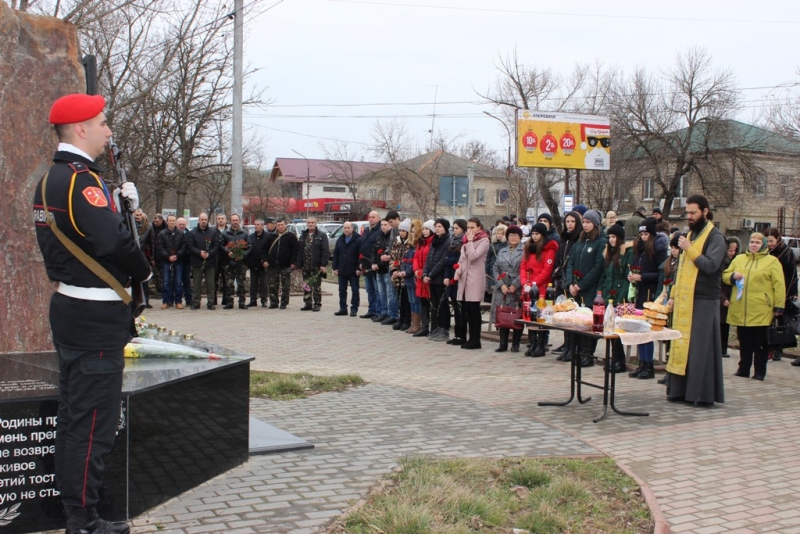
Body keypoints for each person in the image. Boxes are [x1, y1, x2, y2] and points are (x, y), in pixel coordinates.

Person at [34, 92, 150, 534]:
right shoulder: (82, 182)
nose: (108, 131)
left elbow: (88, 238)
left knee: (75, 416)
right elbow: (114, 245)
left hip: (71, 308)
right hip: (95, 316)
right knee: (93, 426)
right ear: (80, 128)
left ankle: (76, 513)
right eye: (102, 123)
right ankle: (82, 521)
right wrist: (144, 269)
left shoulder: (50, 179)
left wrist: (124, 207)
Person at [666, 194, 728, 406]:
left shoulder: (716, 237)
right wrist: (672, 296)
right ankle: (680, 391)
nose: (689, 216)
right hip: (684, 299)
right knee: (683, 346)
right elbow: (680, 270)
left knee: (700, 348)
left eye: (693, 212)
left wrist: (688, 249)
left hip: (703, 299)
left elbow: (710, 266)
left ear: (705, 212)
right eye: (687, 212)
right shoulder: (690, 233)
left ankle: (701, 395)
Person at [723, 232, 785, 381]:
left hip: (761, 309)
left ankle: (759, 372)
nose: (754, 245)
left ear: (763, 245)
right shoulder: (739, 259)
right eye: (752, 242)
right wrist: (732, 276)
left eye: (757, 242)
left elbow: (779, 285)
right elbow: (725, 275)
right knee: (744, 341)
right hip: (741, 308)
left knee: (760, 343)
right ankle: (743, 369)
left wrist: (779, 306)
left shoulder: (772, 261)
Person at [627, 218, 668, 380]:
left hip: (651, 294)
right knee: (639, 329)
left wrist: (641, 277)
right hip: (639, 293)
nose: (643, 237)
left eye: (646, 234)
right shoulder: (639, 250)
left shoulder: (658, 250)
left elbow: (661, 273)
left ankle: (649, 365)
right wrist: (632, 277)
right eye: (641, 234)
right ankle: (642, 363)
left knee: (647, 331)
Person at [565, 209, 607, 367]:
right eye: (584, 222)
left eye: (588, 222)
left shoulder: (601, 241)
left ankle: (588, 354)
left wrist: (581, 284)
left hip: (590, 289)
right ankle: (578, 352)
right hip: (576, 289)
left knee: (589, 323)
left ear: (595, 224)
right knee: (577, 322)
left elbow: (598, 267)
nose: (585, 225)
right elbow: (571, 262)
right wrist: (570, 283)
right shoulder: (581, 241)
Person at [519, 222, 559, 357]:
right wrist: (525, 283)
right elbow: (523, 266)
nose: (534, 237)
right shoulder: (528, 247)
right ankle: (533, 343)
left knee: (541, 317)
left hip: (541, 288)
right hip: (529, 288)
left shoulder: (549, 249)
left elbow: (547, 270)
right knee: (530, 316)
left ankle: (541, 345)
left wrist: (535, 284)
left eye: (537, 234)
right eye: (533, 234)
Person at [598, 224, 632, 373]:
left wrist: (621, 296)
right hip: (608, 294)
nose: (611, 240)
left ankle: (620, 361)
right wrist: (601, 293)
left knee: (617, 330)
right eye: (609, 237)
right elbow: (605, 275)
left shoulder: (626, 253)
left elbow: (627, 277)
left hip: (619, 295)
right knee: (609, 328)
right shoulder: (608, 254)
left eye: (614, 237)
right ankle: (614, 358)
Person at [453, 217, 490, 349]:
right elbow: (462, 260)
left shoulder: (484, 241)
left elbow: (474, 256)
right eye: (468, 227)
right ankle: (469, 338)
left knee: (474, 310)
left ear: (479, 228)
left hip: (475, 279)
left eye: (472, 227)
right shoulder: (465, 242)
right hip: (464, 278)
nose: (469, 230)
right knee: (467, 309)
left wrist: (469, 242)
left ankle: (476, 339)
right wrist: (457, 271)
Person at [553, 210, 582, 361]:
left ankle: (573, 348)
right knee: (563, 315)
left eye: (572, 222)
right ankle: (566, 345)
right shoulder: (563, 239)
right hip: (561, 280)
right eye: (567, 221)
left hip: (572, 280)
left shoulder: (579, 239)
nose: (569, 224)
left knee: (572, 315)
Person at [766, 228, 798, 362]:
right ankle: (767, 347)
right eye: (767, 241)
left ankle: (778, 349)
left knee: (781, 321)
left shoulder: (787, 252)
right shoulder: (765, 252)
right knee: (767, 321)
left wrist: (792, 293)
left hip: (783, 290)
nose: (769, 243)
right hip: (767, 290)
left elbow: (792, 274)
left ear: (778, 238)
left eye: (771, 241)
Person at [492, 225, 525, 352]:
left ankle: (516, 343)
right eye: (510, 235)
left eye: (516, 235)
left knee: (517, 315)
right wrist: (502, 284)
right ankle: (503, 343)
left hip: (517, 287)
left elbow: (526, 270)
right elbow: (495, 268)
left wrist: (515, 285)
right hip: (503, 287)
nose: (513, 237)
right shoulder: (502, 251)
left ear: (520, 237)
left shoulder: (525, 251)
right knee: (503, 314)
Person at [423, 219, 452, 342]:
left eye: (440, 226)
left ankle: (444, 329)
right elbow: (429, 258)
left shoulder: (447, 241)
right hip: (432, 278)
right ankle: (436, 328)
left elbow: (443, 261)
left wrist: (431, 274)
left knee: (442, 305)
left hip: (440, 278)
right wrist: (425, 273)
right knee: (434, 305)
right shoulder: (435, 241)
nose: (437, 228)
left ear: (445, 228)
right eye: (436, 226)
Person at [293, 217, 329, 311]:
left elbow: (325, 251)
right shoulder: (303, 235)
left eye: (312, 222)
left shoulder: (321, 235)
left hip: (316, 265)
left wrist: (323, 265)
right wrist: (298, 264)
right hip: (305, 265)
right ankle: (308, 303)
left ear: (316, 223)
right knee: (306, 285)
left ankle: (317, 303)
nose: (310, 224)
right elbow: (299, 250)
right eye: (308, 222)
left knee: (316, 285)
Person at [186, 212, 219, 310]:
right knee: (196, 284)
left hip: (210, 262)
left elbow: (216, 246)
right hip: (197, 262)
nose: (204, 221)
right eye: (202, 219)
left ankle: (211, 302)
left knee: (210, 284)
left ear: (207, 220)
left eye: (205, 220)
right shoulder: (192, 233)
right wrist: (199, 253)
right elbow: (190, 246)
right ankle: (196, 302)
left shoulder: (213, 232)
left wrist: (209, 254)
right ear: (198, 220)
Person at [263, 218, 297, 309]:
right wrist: (264, 260)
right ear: (276, 226)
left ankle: (284, 303)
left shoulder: (291, 236)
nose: (280, 227)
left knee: (285, 285)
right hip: (272, 265)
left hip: (286, 265)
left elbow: (295, 251)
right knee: (272, 285)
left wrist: (293, 262)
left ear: (285, 225)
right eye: (278, 225)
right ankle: (274, 302)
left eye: (282, 225)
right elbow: (264, 250)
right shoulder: (270, 237)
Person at [444, 219, 468, 344]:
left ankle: (462, 335)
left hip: (460, 278)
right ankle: (457, 335)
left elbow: (459, 260)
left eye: (457, 228)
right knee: (454, 305)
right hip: (451, 277)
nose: (455, 230)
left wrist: (449, 260)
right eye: (453, 228)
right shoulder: (451, 242)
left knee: (460, 308)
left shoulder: (464, 243)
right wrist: (447, 276)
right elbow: (447, 261)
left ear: (463, 229)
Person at [221, 214, 251, 309]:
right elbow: (221, 245)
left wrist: (242, 255)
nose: (235, 222)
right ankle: (229, 302)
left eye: (236, 220)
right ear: (230, 221)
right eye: (233, 220)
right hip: (229, 262)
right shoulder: (225, 233)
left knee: (241, 283)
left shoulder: (245, 233)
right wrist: (228, 252)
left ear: (239, 221)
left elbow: (249, 246)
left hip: (241, 262)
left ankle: (242, 302)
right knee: (229, 284)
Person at [332, 221, 362, 316]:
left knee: (355, 290)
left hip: (353, 270)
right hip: (342, 269)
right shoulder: (340, 240)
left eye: (348, 228)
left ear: (352, 229)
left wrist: (359, 268)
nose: (346, 229)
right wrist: (335, 268)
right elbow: (336, 254)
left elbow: (360, 255)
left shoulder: (358, 240)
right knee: (342, 290)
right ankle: (343, 308)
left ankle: (354, 309)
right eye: (344, 228)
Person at [156, 214, 186, 309]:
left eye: (174, 220)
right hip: (166, 260)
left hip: (178, 260)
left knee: (178, 281)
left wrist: (177, 256)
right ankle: (166, 301)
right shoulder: (162, 234)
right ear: (167, 221)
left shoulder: (181, 234)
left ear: (176, 222)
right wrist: (168, 256)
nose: (172, 222)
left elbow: (184, 247)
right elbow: (160, 247)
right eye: (170, 220)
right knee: (166, 281)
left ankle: (178, 301)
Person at [389, 218, 414, 330]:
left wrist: (401, 268)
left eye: (404, 231)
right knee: (399, 297)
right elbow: (393, 257)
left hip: (405, 274)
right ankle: (401, 318)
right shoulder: (397, 242)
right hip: (397, 274)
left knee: (406, 299)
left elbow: (407, 259)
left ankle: (407, 320)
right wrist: (394, 270)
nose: (401, 233)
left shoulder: (410, 243)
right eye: (400, 231)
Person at [412, 220, 435, 337]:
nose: (425, 231)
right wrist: (416, 270)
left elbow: (431, 260)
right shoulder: (420, 242)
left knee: (430, 302)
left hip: (427, 275)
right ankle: (424, 326)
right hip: (420, 276)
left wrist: (423, 272)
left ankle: (432, 327)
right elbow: (415, 257)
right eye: (424, 229)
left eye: (427, 229)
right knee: (423, 302)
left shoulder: (433, 243)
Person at [719, 237, 740, 358]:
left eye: (734, 250)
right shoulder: (722, 263)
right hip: (721, 296)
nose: (732, 253)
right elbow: (717, 282)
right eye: (730, 250)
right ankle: (720, 348)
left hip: (732, 296)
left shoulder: (737, 262)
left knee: (726, 324)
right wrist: (722, 298)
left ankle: (724, 348)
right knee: (720, 324)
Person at [358, 211, 382, 319]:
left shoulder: (380, 230)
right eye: (370, 217)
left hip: (375, 264)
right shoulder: (367, 230)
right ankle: (371, 310)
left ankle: (378, 311)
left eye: (373, 217)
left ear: (378, 218)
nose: (371, 219)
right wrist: (360, 262)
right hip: (366, 264)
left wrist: (375, 262)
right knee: (369, 289)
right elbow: (362, 246)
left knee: (377, 290)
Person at [401, 219, 423, 333]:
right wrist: (402, 270)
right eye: (411, 231)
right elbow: (406, 260)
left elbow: (415, 261)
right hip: (408, 277)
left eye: (414, 231)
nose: (412, 233)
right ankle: (413, 323)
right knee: (411, 300)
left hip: (413, 277)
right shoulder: (411, 245)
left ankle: (417, 324)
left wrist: (408, 272)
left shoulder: (418, 245)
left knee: (415, 300)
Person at [370, 218, 393, 322]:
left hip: (386, 268)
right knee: (381, 293)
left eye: (385, 224)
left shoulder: (391, 238)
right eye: (382, 225)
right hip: (378, 269)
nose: (383, 226)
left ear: (390, 226)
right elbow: (374, 251)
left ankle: (390, 313)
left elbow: (388, 254)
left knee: (389, 293)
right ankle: (383, 312)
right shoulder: (379, 237)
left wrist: (379, 264)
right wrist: (373, 263)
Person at [134, 208, 155, 308]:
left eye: (139, 214)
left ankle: (146, 300)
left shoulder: (148, 226)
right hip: (131, 255)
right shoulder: (128, 224)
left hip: (143, 255)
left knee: (145, 279)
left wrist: (153, 257)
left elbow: (152, 243)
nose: (138, 216)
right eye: (136, 214)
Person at [247, 219, 269, 307]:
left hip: (263, 264)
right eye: (255, 224)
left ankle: (264, 300)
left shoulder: (268, 237)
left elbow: (269, 250)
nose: (256, 226)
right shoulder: (251, 237)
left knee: (263, 283)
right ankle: (253, 300)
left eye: (258, 224)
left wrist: (266, 260)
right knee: (253, 283)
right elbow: (248, 249)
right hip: (253, 264)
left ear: (262, 226)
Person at [485, 223, 508, 303]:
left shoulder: (506, 245)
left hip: (503, 268)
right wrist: (486, 269)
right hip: (492, 267)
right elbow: (488, 258)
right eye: (497, 233)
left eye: (501, 234)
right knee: (493, 287)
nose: (499, 235)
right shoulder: (492, 245)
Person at [176, 217, 192, 308]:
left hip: (186, 261)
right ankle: (177, 300)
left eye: (183, 225)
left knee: (187, 282)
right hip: (176, 261)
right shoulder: (174, 234)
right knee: (177, 282)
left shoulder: (189, 234)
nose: (182, 226)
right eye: (180, 225)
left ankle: (189, 300)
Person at [214, 213, 229, 306]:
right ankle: (213, 300)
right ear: (216, 220)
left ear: (226, 220)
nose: (221, 220)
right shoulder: (212, 231)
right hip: (215, 259)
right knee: (214, 280)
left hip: (226, 259)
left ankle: (226, 300)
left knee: (226, 281)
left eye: (222, 218)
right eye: (219, 218)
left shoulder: (229, 231)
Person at [150, 212, 166, 297]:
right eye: (154, 221)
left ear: (161, 221)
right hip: (155, 254)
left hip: (164, 254)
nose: (155, 223)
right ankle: (159, 290)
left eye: (157, 221)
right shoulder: (151, 228)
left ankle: (165, 291)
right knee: (157, 274)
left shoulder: (165, 228)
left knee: (165, 274)